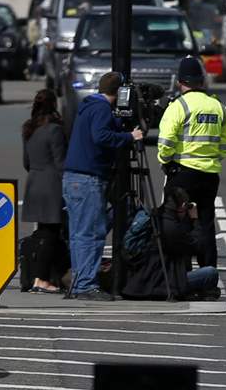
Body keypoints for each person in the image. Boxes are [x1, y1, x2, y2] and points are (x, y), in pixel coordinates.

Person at [63, 71, 144, 300]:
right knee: (92, 234)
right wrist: (129, 136)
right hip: (88, 178)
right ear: (119, 93)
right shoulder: (101, 109)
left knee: (79, 234)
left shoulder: (88, 106)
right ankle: (86, 285)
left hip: (73, 177)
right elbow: (101, 136)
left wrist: (117, 124)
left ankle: (79, 283)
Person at [158, 57, 226, 270]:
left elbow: (166, 140)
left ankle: (182, 272)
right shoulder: (218, 106)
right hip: (209, 174)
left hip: (183, 172)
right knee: (206, 224)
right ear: (201, 81)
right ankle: (208, 273)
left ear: (180, 82)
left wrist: (166, 160)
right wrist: (215, 158)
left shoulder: (178, 106)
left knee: (177, 222)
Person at [122, 186, 220, 301]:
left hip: (142, 279)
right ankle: (193, 291)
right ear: (183, 206)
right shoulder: (171, 228)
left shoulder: (155, 216)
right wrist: (194, 219)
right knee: (210, 273)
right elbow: (197, 246)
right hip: (164, 282)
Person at [22, 89, 67, 293]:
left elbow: (26, 161)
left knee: (42, 231)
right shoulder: (55, 130)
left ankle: (40, 276)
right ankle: (41, 278)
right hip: (51, 184)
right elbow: (60, 163)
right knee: (51, 233)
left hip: (34, 182)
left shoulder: (29, 128)